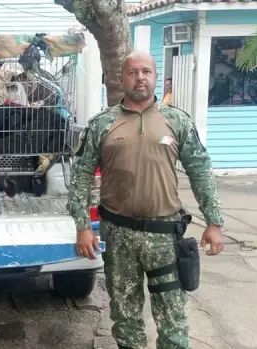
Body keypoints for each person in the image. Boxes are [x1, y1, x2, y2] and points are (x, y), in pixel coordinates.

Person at [68, 51, 225, 349]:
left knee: (173, 321)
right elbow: (81, 174)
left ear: (155, 76)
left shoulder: (176, 120)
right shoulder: (103, 123)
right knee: (125, 319)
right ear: (122, 78)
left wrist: (214, 222)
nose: (140, 77)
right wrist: (82, 226)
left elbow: (201, 171)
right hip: (118, 235)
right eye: (132, 72)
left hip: (165, 238)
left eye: (146, 71)